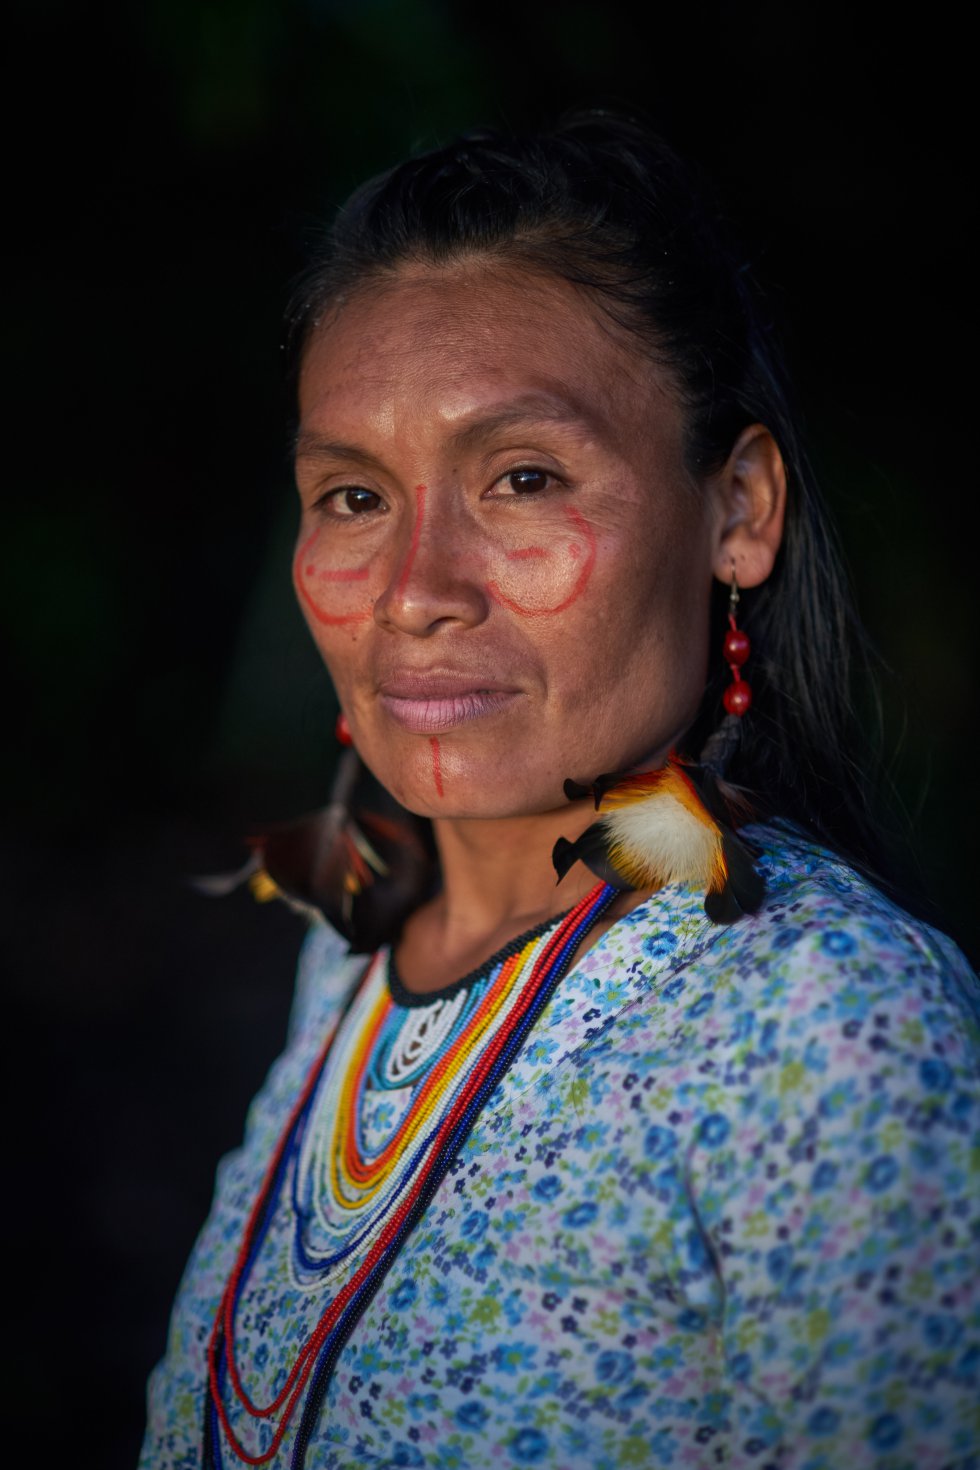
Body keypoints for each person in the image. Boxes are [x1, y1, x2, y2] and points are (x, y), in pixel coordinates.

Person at [141, 112, 980, 1470]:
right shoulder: (351, 945)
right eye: (352, 496)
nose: (416, 591)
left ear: (741, 509)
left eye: (522, 478)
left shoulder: (826, 1020)